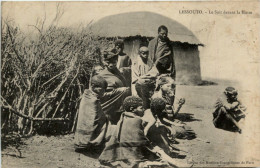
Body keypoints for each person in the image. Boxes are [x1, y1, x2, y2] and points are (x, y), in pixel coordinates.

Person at [99, 96, 156, 167]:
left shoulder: (122, 118)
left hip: (121, 154)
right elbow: (141, 140)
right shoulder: (137, 120)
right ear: (132, 109)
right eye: (141, 108)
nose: (143, 110)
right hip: (134, 155)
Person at [74, 75, 108, 154]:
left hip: (81, 139)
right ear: (93, 86)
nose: (103, 91)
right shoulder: (92, 100)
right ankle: (92, 143)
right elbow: (93, 119)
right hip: (87, 136)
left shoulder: (88, 95)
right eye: (102, 89)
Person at [99, 51, 131, 125]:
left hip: (120, 106)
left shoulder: (117, 72)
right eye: (108, 62)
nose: (111, 64)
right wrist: (118, 91)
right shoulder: (102, 76)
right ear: (104, 62)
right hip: (109, 108)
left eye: (114, 62)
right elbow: (101, 95)